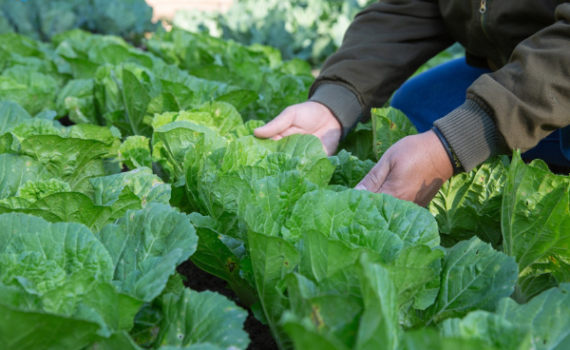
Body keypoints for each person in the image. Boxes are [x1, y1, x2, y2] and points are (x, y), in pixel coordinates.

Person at [254, 0, 570, 207]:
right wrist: (335, 102)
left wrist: (456, 143)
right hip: (520, 65)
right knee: (416, 105)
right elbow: (406, 8)